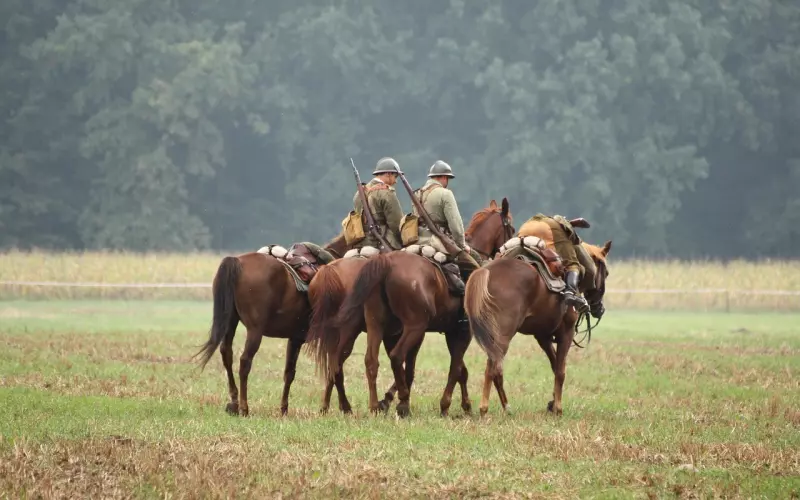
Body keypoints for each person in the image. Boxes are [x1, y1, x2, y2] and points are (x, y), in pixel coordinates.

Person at [413, 160, 480, 293]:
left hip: (418, 240)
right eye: (447, 178)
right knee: (476, 265)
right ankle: (470, 303)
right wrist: (461, 245)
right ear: (444, 177)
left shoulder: (417, 194)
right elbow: (456, 226)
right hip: (438, 242)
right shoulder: (445, 194)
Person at [518, 214, 595, 313]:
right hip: (548, 227)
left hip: (525, 226)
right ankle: (570, 292)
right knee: (572, 264)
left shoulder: (548, 225)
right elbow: (589, 268)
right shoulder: (561, 229)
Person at [351, 157, 405, 250]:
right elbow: (396, 224)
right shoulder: (387, 193)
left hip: (361, 244)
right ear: (388, 174)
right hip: (383, 242)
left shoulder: (359, 193)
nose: (395, 181)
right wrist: (404, 241)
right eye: (395, 176)